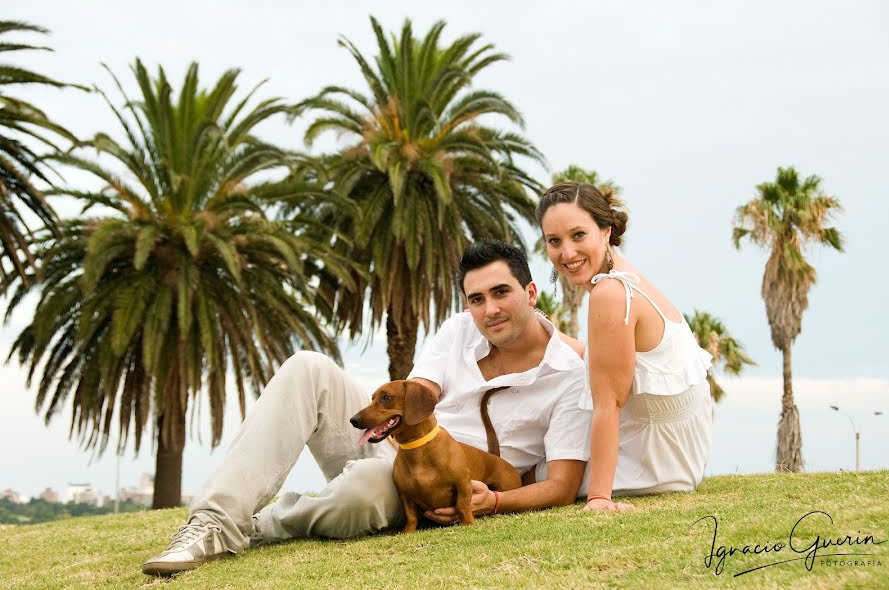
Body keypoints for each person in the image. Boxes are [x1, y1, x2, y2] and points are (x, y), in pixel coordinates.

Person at [142, 240, 590, 576]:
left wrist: (494, 501)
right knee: (307, 367)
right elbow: (414, 393)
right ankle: (213, 523)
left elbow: (563, 487)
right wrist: (383, 420)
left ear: (530, 292)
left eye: (500, 292)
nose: (488, 310)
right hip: (397, 451)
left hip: (448, 486)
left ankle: (256, 526)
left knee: (361, 495)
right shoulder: (458, 331)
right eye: (476, 299)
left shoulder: (568, 375)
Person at [537, 181, 713, 513]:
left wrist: (600, 499)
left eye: (578, 235)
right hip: (681, 452)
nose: (567, 253)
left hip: (655, 461)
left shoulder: (610, 293)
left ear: (605, 230)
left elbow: (609, 402)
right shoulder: (626, 275)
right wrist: (546, 334)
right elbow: (609, 363)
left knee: (533, 471)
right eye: (554, 241)